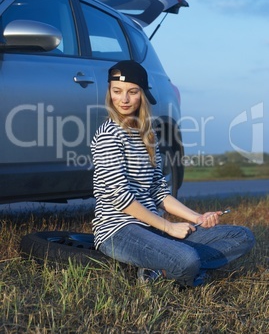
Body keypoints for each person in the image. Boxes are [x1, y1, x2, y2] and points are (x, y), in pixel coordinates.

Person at [90, 60, 255, 286]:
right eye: (117, 91)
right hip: (119, 230)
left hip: (153, 227)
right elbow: (120, 198)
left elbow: (159, 191)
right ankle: (178, 264)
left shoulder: (148, 136)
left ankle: (161, 269)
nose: (124, 99)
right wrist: (168, 226)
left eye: (132, 92)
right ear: (110, 92)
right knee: (187, 259)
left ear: (143, 95)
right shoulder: (108, 135)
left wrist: (196, 218)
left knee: (242, 236)